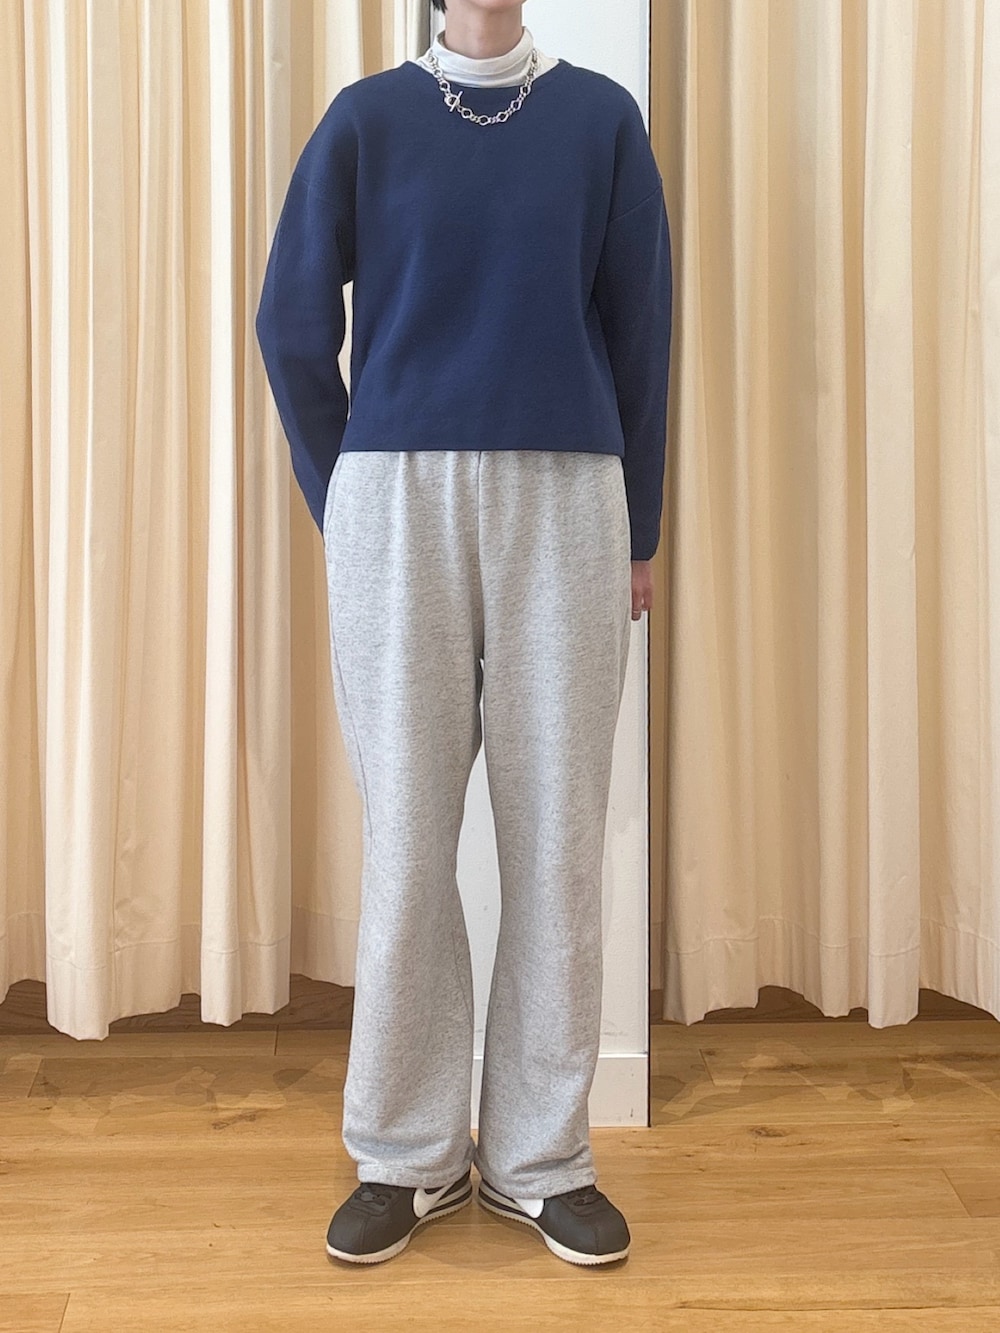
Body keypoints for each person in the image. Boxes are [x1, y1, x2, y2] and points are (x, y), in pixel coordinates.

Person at [255, 0, 672, 1269]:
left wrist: (641, 525)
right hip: (398, 500)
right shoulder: (366, 120)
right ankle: (407, 1152)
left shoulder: (599, 119)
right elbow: (288, 320)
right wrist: (346, 496)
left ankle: (542, 1158)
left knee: (557, 839)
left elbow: (641, 330)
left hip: (569, 499)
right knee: (407, 836)